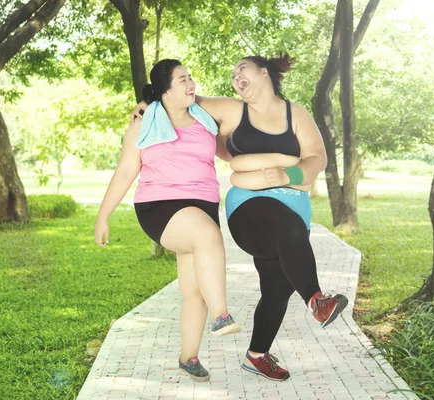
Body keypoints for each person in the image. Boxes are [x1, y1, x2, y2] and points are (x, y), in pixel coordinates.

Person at [133, 54, 348, 382]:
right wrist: (143, 105)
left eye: (242, 70)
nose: (236, 77)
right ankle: (318, 301)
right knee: (286, 228)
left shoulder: (296, 114)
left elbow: (318, 158)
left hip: (293, 204)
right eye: (233, 74)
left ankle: (257, 355)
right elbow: (176, 96)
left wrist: (286, 172)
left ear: (264, 73)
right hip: (249, 206)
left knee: (278, 288)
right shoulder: (231, 109)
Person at [95, 59, 241, 383]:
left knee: (194, 290)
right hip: (159, 205)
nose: (190, 83)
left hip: (202, 203)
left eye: (190, 76)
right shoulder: (144, 122)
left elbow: (228, 153)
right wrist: (103, 216)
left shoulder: (204, 120)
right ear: (165, 91)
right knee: (207, 237)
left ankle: (188, 357)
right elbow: (124, 172)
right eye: (181, 79)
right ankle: (222, 315)